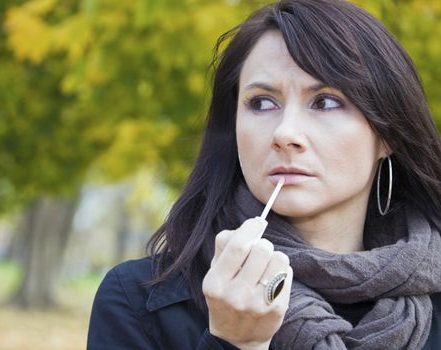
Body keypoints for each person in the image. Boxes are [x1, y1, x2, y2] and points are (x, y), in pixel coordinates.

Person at [87, 0, 441, 348]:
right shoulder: (138, 302)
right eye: (262, 103)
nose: (285, 133)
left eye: (326, 102)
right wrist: (233, 342)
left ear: (388, 135)